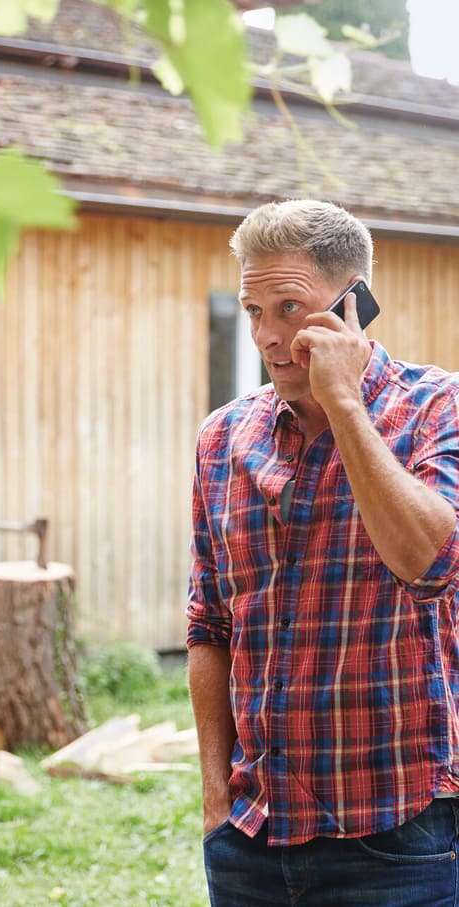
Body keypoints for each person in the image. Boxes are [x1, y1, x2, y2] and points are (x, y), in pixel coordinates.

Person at [186, 199, 459, 907]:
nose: (268, 337)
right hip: (251, 842)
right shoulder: (223, 438)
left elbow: (430, 563)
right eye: (253, 310)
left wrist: (344, 403)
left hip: (399, 841)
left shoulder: (438, 409)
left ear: (353, 304)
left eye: (289, 308)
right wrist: (217, 802)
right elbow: (208, 625)